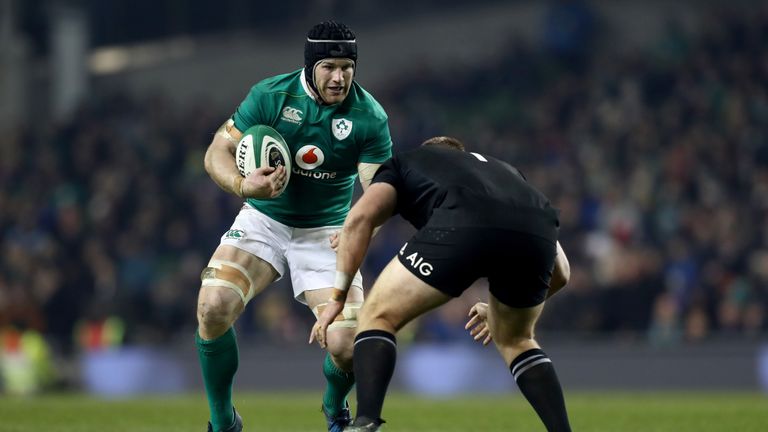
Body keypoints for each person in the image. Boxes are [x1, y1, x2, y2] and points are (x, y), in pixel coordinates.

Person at [196, 21, 392, 432]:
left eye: (347, 67)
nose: (339, 77)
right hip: (265, 220)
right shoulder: (271, 96)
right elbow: (218, 149)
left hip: (327, 230)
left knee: (346, 345)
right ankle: (222, 421)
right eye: (329, 67)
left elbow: (381, 192)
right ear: (310, 66)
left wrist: (362, 228)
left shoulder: (369, 116)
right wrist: (241, 183)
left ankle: (333, 406)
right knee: (212, 308)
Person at [311, 136, 572, 431]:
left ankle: (366, 422)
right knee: (517, 340)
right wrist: (501, 310)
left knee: (377, 315)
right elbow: (561, 272)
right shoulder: (508, 173)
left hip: (462, 223)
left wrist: (338, 297)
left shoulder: (406, 162)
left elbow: (359, 219)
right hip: (536, 236)